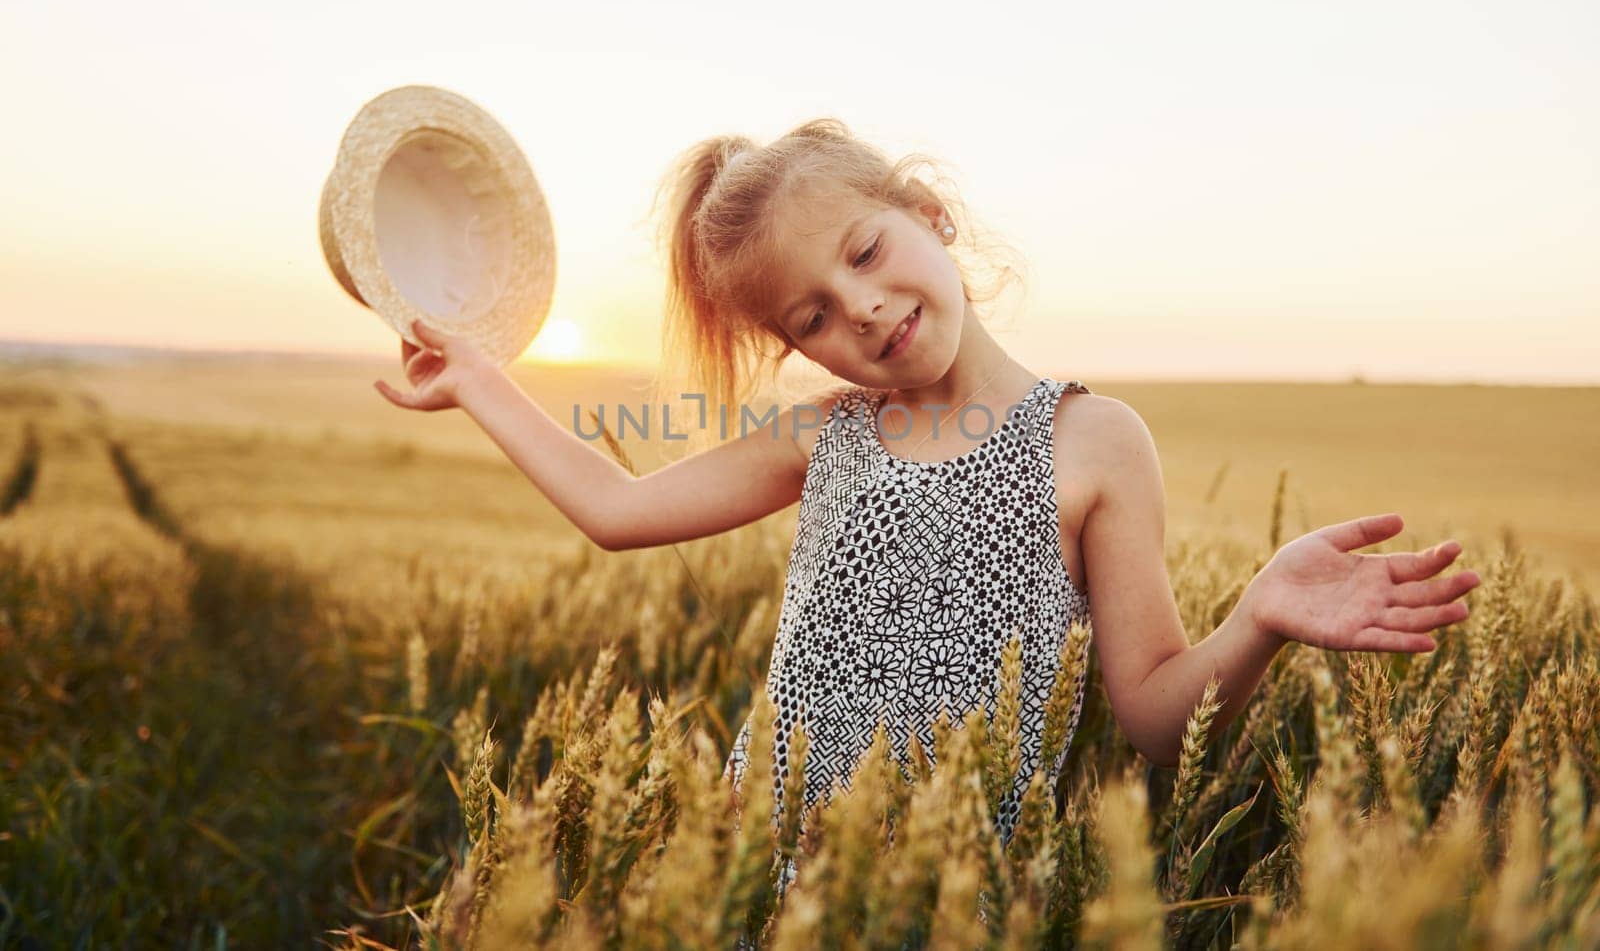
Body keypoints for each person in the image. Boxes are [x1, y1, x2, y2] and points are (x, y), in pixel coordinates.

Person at [374, 118, 1481, 894]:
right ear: (793, 346)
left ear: (928, 211)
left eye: (865, 250)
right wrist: (476, 377)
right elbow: (613, 506)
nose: (860, 305)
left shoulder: (1092, 441)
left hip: (951, 890)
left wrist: (1258, 615)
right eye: (809, 315)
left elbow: (1149, 715)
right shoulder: (826, 435)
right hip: (760, 868)